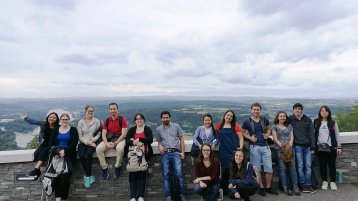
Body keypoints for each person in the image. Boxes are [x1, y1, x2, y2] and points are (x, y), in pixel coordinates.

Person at [242, 102, 278, 196]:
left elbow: (269, 128)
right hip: (254, 147)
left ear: (260, 110)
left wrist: (267, 134)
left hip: (265, 146)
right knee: (257, 169)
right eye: (254, 109)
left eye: (258, 109)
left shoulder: (264, 119)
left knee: (269, 168)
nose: (256, 111)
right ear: (251, 110)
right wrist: (250, 138)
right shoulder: (247, 121)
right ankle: (261, 187)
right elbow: (242, 133)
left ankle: (268, 187)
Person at [156, 111, 187, 201]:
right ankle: (168, 197)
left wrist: (183, 152)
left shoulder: (176, 126)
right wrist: (160, 145)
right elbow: (158, 141)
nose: (166, 119)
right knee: (165, 176)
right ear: (161, 119)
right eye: (164, 118)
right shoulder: (158, 129)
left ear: (170, 118)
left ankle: (182, 195)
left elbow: (181, 139)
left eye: (167, 117)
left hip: (176, 152)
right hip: (165, 153)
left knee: (179, 175)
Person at [48, 113, 79, 201]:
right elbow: (51, 144)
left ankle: (64, 198)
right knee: (56, 177)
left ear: (69, 120)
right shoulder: (56, 129)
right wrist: (58, 151)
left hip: (69, 157)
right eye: (63, 119)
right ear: (60, 120)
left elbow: (74, 144)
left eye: (66, 119)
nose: (64, 121)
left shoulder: (73, 130)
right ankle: (58, 199)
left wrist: (64, 152)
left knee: (65, 179)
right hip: (57, 157)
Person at [21, 112, 60, 181]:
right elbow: (33, 121)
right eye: (50, 117)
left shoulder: (58, 127)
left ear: (56, 119)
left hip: (52, 145)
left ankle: (36, 169)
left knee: (44, 151)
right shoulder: (43, 124)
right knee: (36, 153)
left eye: (54, 117)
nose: (51, 119)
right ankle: (38, 172)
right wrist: (25, 118)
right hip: (43, 144)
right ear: (48, 118)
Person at [96, 102, 128, 180]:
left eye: (114, 109)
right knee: (98, 149)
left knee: (120, 149)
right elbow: (103, 134)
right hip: (109, 139)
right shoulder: (107, 121)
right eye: (111, 109)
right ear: (109, 110)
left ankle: (117, 166)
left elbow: (123, 134)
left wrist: (116, 143)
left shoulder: (122, 120)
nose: (113, 111)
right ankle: (104, 167)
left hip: (120, 139)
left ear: (117, 109)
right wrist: (106, 143)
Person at [126, 113, 153, 201]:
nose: (139, 120)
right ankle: (133, 197)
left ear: (143, 119)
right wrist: (134, 142)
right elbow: (127, 141)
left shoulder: (147, 129)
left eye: (141, 118)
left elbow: (150, 139)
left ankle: (141, 196)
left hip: (144, 156)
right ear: (135, 120)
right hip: (133, 157)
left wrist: (140, 139)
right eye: (137, 119)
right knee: (132, 176)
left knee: (142, 176)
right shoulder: (132, 129)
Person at [215, 110, 243, 196]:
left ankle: (233, 190)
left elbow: (241, 138)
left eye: (231, 116)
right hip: (223, 151)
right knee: (224, 172)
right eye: (228, 115)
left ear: (233, 118)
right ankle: (224, 190)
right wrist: (212, 145)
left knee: (233, 171)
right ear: (224, 116)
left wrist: (240, 149)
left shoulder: (236, 126)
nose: (229, 117)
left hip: (233, 152)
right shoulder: (219, 126)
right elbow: (216, 138)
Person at [272, 111, 300, 195]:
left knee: (292, 168)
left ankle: (295, 187)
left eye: (284, 116)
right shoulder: (274, 127)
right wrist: (283, 147)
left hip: (290, 149)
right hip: (279, 149)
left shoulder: (289, 126)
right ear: (278, 117)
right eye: (280, 116)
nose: (282, 118)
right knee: (282, 169)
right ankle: (285, 187)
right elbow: (275, 139)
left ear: (286, 117)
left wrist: (289, 147)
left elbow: (292, 137)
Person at [314, 106, 342, 191]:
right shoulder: (316, 122)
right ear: (320, 112)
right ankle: (324, 182)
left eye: (326, 111)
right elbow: (313, 134)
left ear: (329, 113)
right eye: (322, 111)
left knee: (332, 165)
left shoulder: (333, 122)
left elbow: (337, 134)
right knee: (323, 165)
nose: (324, 112)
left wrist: (338, 146)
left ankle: (333, 182)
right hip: (320, 148)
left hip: (332, 147)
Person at [289, 103, 316, 193]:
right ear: (293, 110)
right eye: (296, 108)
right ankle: (303, 185)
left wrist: (313, 147)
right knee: (300, 166)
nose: (297, 110)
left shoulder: (307, 119)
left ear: (301, 110)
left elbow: (312, 134)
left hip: (308, 146)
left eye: (299, 109)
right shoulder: (290, 119)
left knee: (308, 166)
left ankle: (308, 184)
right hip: (297, 146)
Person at [77, 105, 101, 188]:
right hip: (83, 142)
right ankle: (89, 175)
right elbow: (80, 136)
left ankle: (86, 177)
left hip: (93, 141)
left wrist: (92, 141)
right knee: (82, 156)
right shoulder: (81, 122)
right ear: (85, 111)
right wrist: (88, 142)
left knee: (89, 154)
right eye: (89, 111)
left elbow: (98, 134)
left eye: (92, 111)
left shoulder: (96, 121)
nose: (90, 112)